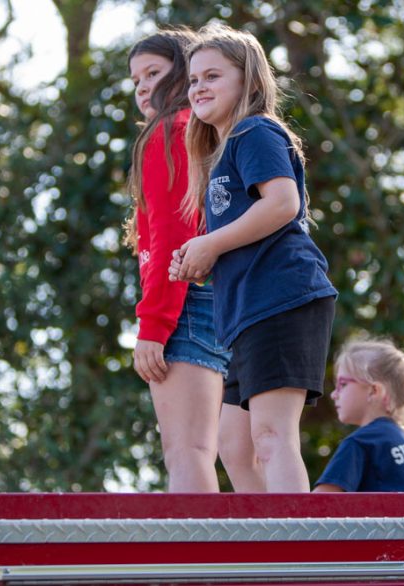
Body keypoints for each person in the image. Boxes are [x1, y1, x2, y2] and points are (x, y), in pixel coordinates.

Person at [169, 24, 337, 493]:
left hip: (282, 297)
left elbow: (283, 204)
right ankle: (266, 548)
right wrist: (197, 257)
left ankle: (293, 557)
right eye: (193, 79)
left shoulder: (254, 130)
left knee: (271, 436)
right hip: (246, 312)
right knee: (235, 446)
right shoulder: (222, 152)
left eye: (212, 76)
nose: (198, 87)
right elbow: (242, 234)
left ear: (249, 81)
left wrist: (212, 244)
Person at [125, 28, 232, 492]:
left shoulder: (169, 132)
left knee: (186, 452)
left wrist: (153, 324)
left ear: (183, 74)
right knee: (224, 452)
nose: (143, 87)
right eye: (135, 81)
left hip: (184, 304)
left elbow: (174, 234)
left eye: (154, 73)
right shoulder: (205, 131)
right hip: (224, 301)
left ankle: (200, 565)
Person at [314, 338, 404, 492]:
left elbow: (319, 504)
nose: (333, 394)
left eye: (342, 384)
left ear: (374, 391)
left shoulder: (362, 442)